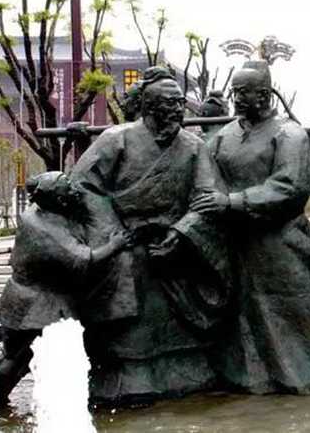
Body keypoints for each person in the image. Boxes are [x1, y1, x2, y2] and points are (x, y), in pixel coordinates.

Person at [70, 66, 232, 404]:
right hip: (124, 239)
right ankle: (126, 376)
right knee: (127, 299)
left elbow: (207, 196)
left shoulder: (193, 147)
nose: (177, 110)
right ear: (147, 105)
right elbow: (83, 187)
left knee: (179, 310)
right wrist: (114, 234)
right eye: (168, 103)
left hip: (175, 239)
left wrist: (182, 232)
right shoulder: (116, 139)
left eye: (179, 103)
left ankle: (188, 371)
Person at [194, 61, 310, 394]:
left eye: (243, 92)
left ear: (264, 94)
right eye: (235, 92)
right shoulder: (222, 137)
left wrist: (233, 202)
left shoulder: (289, 134)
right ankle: (255, 380)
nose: (237, 98)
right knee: (249, 317)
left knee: (303, 310)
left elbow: (290, 187)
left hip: (282, 241)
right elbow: (206, 181)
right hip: (240, 244)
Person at [0, 172, 131, 407]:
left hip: (29, 296)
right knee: (16, 355)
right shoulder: (44, 230)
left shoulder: (41, 209)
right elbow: (84, 259)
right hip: (31, 303)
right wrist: (115, 245)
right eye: (68, 187)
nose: (75, 189)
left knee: (18, 353)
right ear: (60, 200)